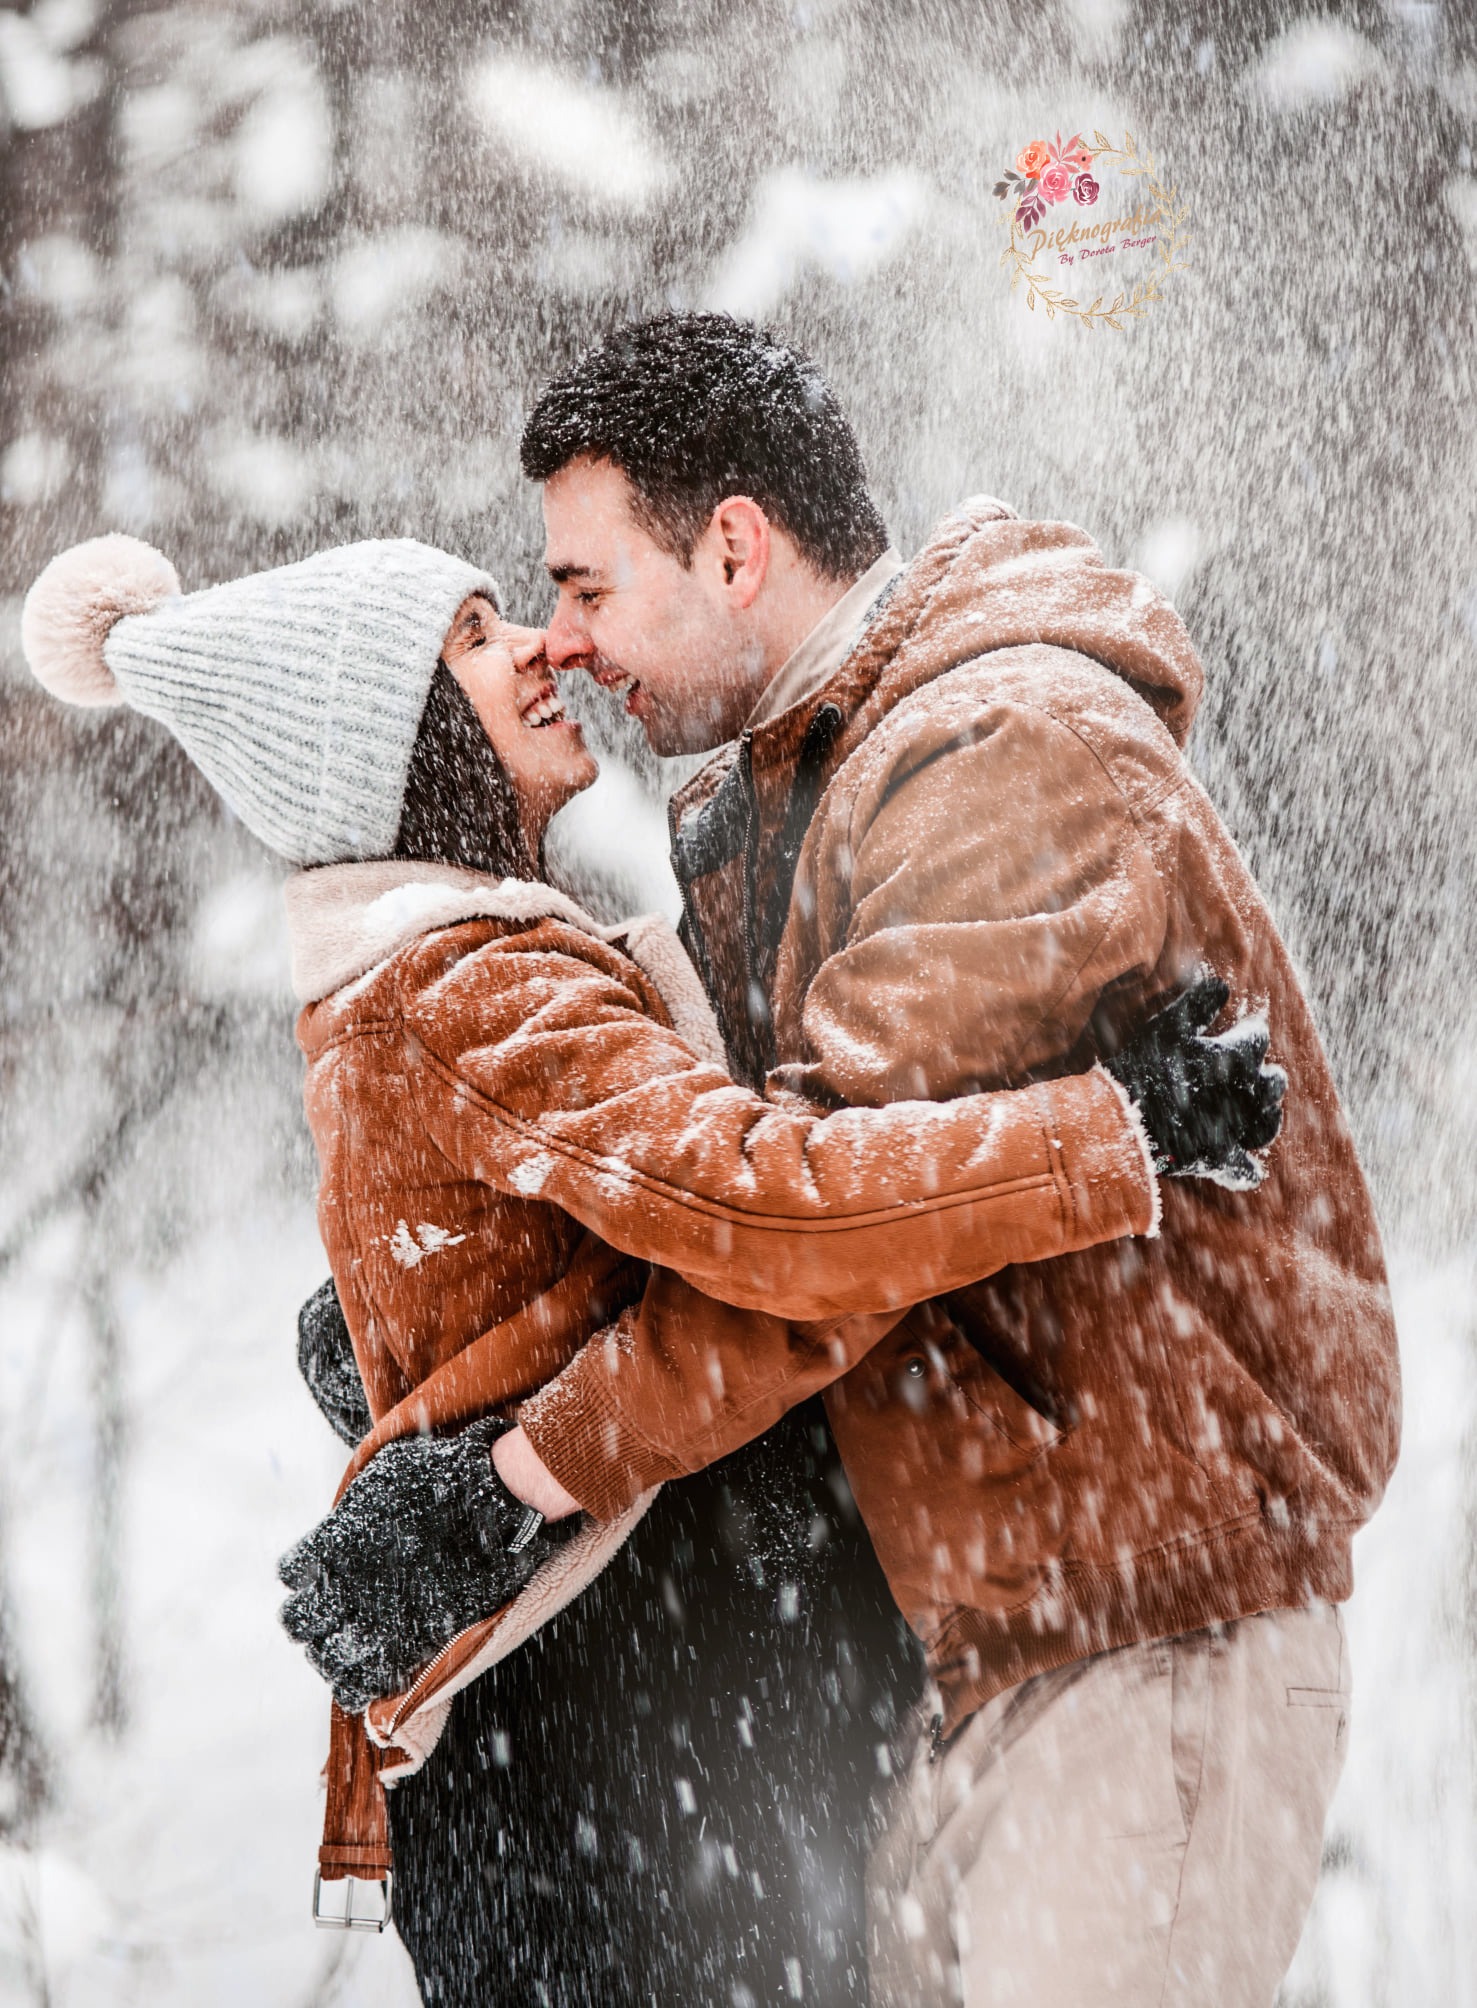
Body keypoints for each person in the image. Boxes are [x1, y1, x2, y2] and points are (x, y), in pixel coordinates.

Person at [19, 533, 1281, 2008]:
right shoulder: (468, 989)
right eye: (480, 638)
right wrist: (1107, 1131)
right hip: (602, 1755)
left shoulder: (444, 981)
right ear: (394, 733)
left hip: (628, 1742)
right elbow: (778, 1213)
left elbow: (597, 1264)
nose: (544, 652)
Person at [473, 312, 1402, 2008]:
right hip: (1001, 1640)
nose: (565, 640)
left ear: (734, 546)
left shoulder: (994, 756)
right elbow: (718, 1177)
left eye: (587, 585)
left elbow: (821, 1231)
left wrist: (530, 1470)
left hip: (1142, 1637)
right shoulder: (809, 781)